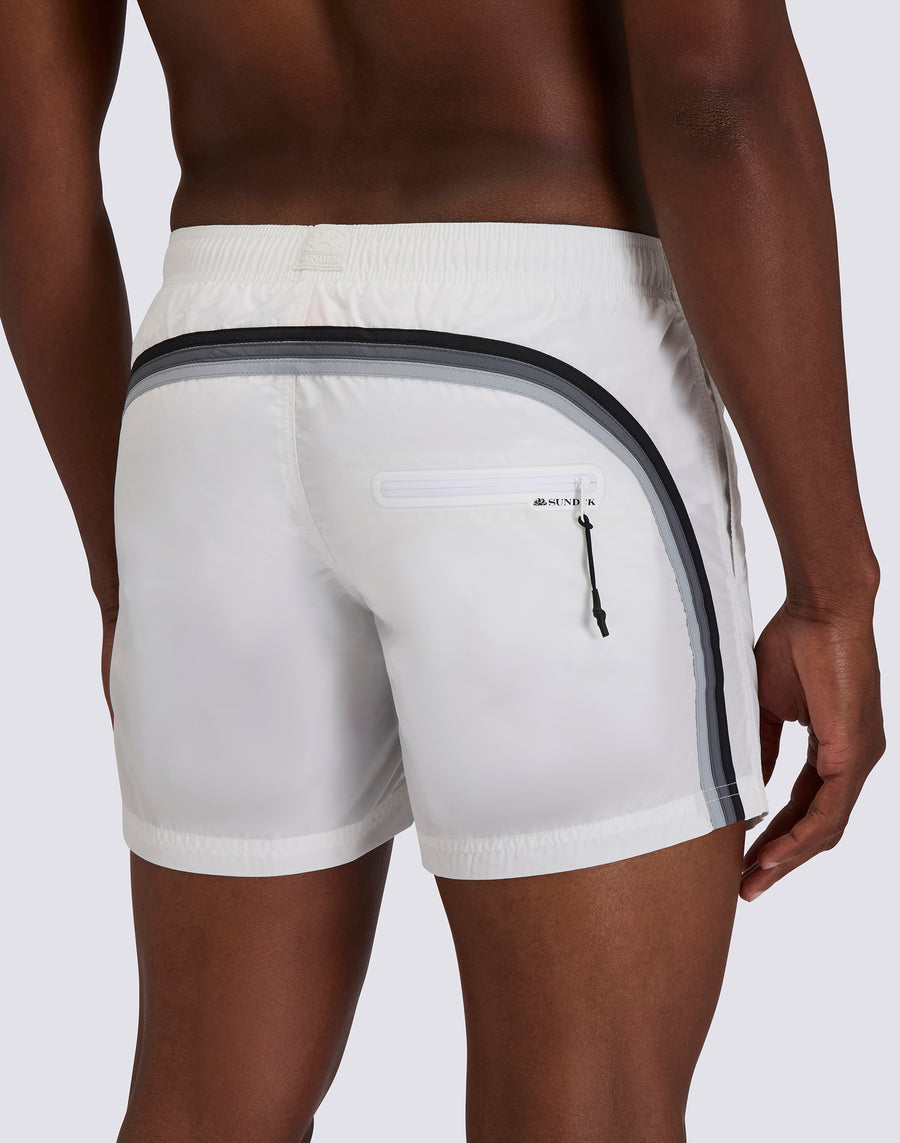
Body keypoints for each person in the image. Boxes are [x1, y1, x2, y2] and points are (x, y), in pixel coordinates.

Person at [0, 1, 886, 1140]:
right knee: (586, 1110)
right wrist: (830, 588)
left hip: (205, 385)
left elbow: (23, 156)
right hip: (538, 366)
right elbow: (716, 83)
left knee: (198, 1105)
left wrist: (120, 569)